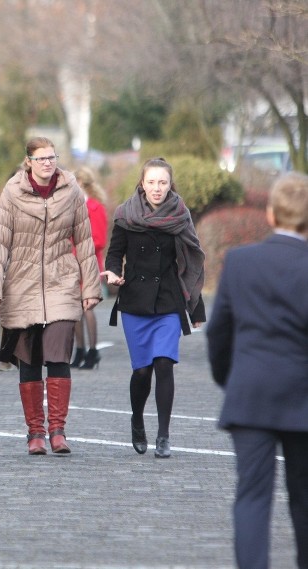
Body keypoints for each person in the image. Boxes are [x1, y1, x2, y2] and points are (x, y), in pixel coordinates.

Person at [206, 172, 308, 569]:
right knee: (304, 498)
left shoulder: (240, 261)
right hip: (302, 392)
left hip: (250, 392)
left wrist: (228, 378)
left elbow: (219, 332)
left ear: (269, 213)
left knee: (251, 496)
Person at [0, 137, 102, 455]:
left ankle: (58, 431)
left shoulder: (72, 191)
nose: (48, 163)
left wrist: (90, 289)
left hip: (62, 281)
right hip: (22, 284)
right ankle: (35, 432)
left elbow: (86, 242)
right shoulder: (12, 192)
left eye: (52, 157)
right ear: (29, 162)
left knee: (59, 352)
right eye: (42, 158)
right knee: (30, 358)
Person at [102, 157, 205, 459]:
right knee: (142, 371)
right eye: (151, 182)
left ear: (170, 184)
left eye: (163, 182)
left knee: (164, 364)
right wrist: (111, 273)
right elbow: (114, 253)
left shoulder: (181, 216)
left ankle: (164, 435)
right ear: (142, 184)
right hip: (135, 300)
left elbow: (194, 263)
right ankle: (137, 418)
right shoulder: (125, 215)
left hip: (168, 299)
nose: (157, 188)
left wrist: (196, 310)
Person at [71, 166, 108, 370]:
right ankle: (80, 350)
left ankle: (93, 350)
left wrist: (78, 246)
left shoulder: (96, 207)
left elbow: (100, 239)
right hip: (72, 263)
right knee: (75, 309)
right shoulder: (70, 207)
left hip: (90, 262)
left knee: (87, 307)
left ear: (82, 184)